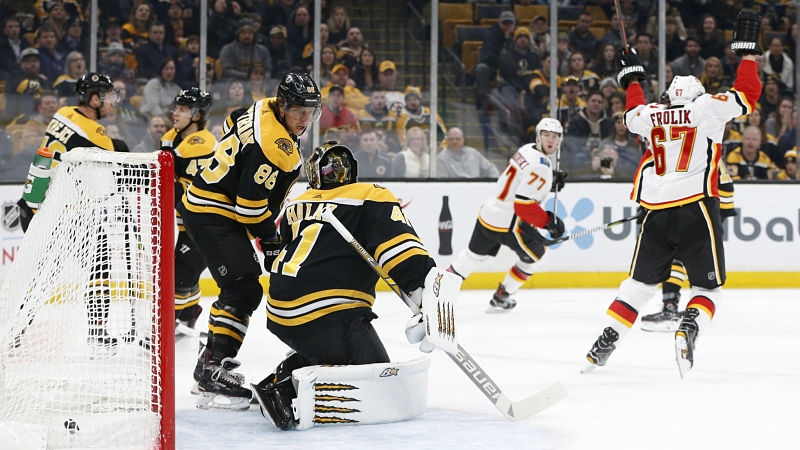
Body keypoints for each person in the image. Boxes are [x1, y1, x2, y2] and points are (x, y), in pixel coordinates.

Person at [582, 10, 763, 377]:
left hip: (655, 212)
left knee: (637, 286)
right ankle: (690, 325)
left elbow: (632, 110)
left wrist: (632, 77)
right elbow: (747, 94)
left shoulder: (652, 114)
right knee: (709, 290)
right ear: (697, 94)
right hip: (696, 206)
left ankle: (606, 340)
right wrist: (747, 53)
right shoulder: (706, 109)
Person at [252, 142, 438, 430]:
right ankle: (286, 392)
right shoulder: (368, 194)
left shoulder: (296, 203)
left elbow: (275, 253)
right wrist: (425, 285)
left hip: (280, 311)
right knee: (377, 381)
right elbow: (400, 248)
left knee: (332, 347)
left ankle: (288, 372)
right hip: (329, 311)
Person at [178, 73, 321, 409]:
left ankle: (209, 362)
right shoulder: (275, 147)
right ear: (284, 105)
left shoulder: (260, 108)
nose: (305, 118)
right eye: (299, 110)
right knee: (243, 288)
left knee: (241, 287)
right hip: (214, 212)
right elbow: (250, 210)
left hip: (211, 204)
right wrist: (271, 241)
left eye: (310, 111)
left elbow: (232, 120)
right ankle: (212, 369)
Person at [16, 73, 128, 346]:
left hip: (33, 203)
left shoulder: (63, 113)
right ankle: (97, 332)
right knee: (99, 268)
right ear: (93, 99)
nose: (112, 102)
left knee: (41, 273)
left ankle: (15, 327)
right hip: (61, 214)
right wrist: (122, 149)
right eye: (108, 97)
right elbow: (114, 165)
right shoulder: (96, 133)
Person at [447, 118, 566, 310]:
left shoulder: (526, 149)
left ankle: (438, 291)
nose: (550, 140)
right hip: (509, 226)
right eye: (546, 135)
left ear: (559, 140)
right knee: (534, 258)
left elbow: (521, 183)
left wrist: (549, 183)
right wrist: (548, 223)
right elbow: (523, 206)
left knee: (470, 258)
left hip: (487, 215)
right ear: (538, 136)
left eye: (554, 136)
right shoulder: (542, 167)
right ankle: (503, 295)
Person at [159, 88, 217, 336]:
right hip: (188, 222)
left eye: (182, 110)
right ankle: (190, 313)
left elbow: (185, 191)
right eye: (177, 108)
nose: (176, 113)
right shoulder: (173, 137)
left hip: (208, 222)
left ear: (196, 114)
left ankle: (172, 322)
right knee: (187, 272)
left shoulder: (202, 143)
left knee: (180, 272)